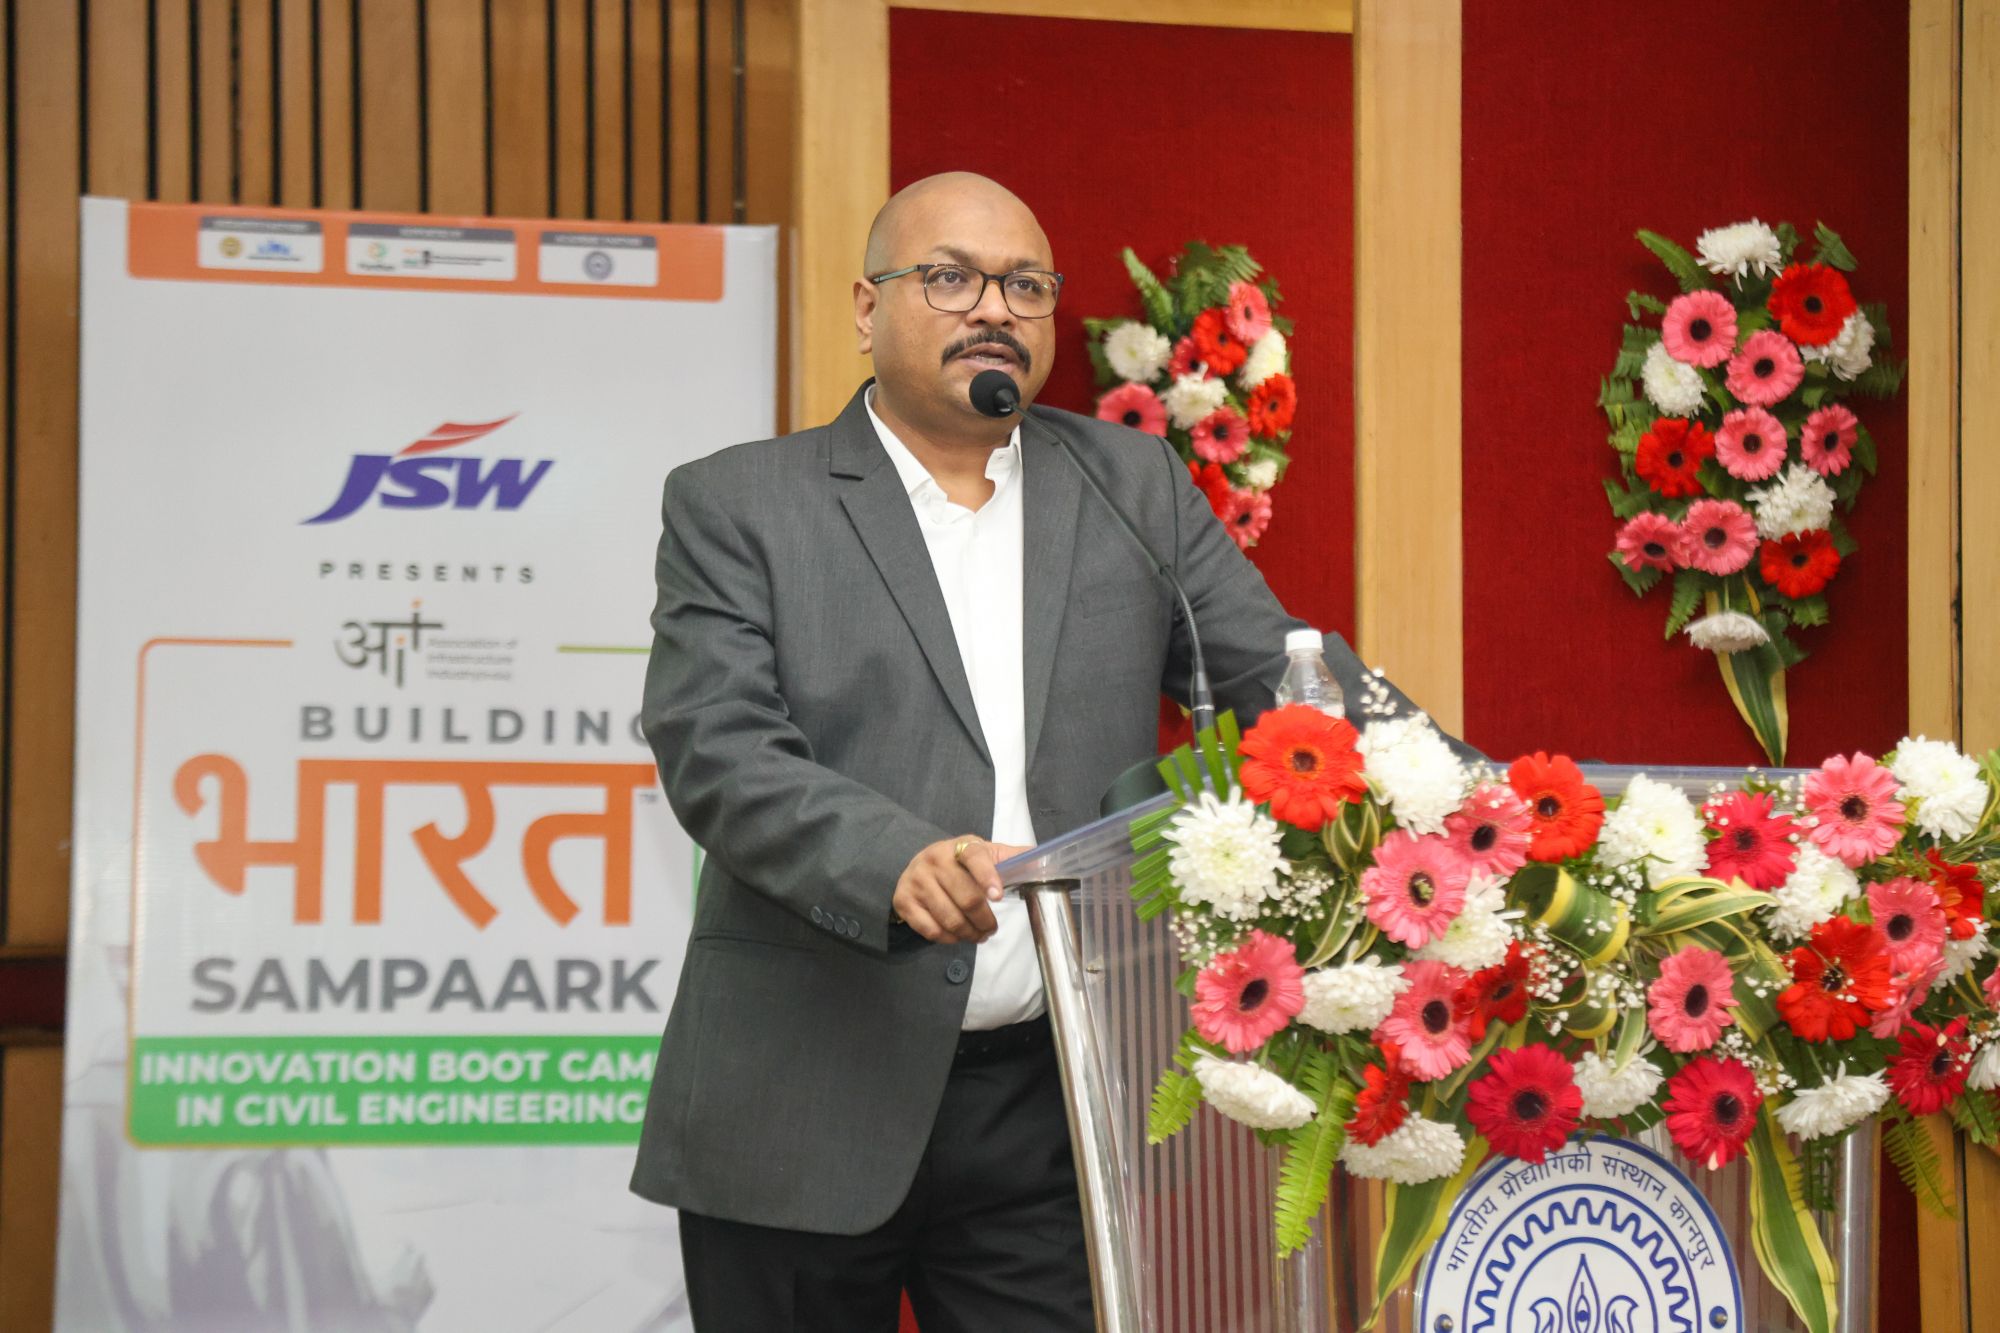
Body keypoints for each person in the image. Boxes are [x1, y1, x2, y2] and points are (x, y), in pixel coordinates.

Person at [630, 171, 1459, 1332]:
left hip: (1046, 1100)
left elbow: (1287, 686)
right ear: (866, 308)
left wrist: (1470, 805)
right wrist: (890, 857)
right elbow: (715, 746)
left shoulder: (1127, 488)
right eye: (950, 278)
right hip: (805, 1092)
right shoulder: (741, 504)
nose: (993, 309)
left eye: (1025, 285)